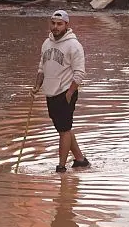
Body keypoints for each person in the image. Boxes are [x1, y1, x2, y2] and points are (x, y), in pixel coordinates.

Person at [32, 10, 89, 173]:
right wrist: (36, 87)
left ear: (66, 25)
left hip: (65, 92)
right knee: (64, 128)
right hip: (50, 92)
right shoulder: (46, 43)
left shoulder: (74, 45)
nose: (55, 27)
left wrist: (69, 94)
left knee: (63, 131)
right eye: (53, 23)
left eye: (59, 24)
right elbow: (41, 68)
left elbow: (80, 73)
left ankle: (61, 167)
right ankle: (80, 160)